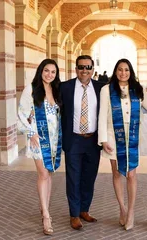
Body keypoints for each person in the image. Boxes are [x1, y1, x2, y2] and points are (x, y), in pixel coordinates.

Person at [98, 59, 147, 231]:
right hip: (113, 136)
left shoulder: (138, 89)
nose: (123, 73)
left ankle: (131, 212)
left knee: (132, 175)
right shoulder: (107, 90)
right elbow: (102, 115)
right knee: (116, 173)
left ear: (131, 71)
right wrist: (103, 139)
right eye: (120, 70)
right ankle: (122, 208)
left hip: (133, 137)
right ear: (115, 71)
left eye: (126, 70)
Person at [17, 59, 62, 235]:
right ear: (40, 71)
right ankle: (46, 217)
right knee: (43, 174)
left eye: (53, 72)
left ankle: (45, 209)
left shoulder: (56, 90)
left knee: (49, 173)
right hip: (38, 138)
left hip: (54, 139)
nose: (49, 74)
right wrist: (30, 133)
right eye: (46, 71)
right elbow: (21, 113)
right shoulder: (31, 89)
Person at [60, 55, 105, 230]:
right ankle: (74, 214)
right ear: (76, 69)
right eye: (81, 67)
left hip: (93, 141)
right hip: (74, 140)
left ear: (93, 69)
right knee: (73, 178)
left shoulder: (101, 88)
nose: (84, 70)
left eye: (87, 67)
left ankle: (84, 210)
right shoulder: (65, 87)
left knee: (89, 177)